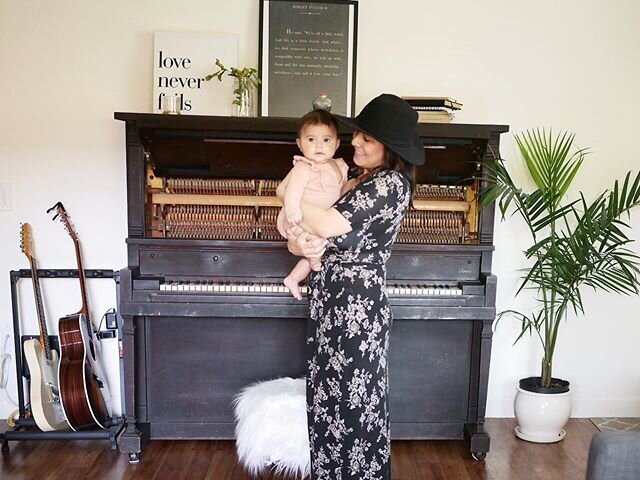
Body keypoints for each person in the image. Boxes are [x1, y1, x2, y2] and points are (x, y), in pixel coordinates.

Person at [278, 93, 425, 480]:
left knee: (355, 408)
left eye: (367, 139)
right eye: (357, 134)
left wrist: (283, 194)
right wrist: (300, 241)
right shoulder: (359, 181)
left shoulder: (390, 184)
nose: (354, 142)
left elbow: (325, 225)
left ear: (390, 149)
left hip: (355, 309)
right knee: (329, 405)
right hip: (332, 302)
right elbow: (310, 237)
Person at [277, 109, 348, 300]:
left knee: (319, 245)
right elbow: (292, 191)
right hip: (301, 218)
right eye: (311, 140)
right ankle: (306, 269)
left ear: (337, 144)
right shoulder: (305, 166)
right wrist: (292, 210)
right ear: (299, 144)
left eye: (326, 140)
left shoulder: (339, 165)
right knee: (316, 247)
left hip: (321, 218)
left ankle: (293, 278)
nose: (319, 145)